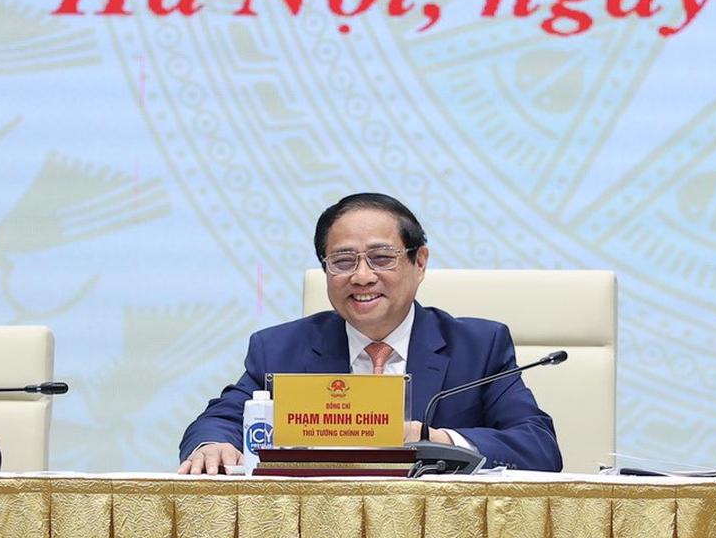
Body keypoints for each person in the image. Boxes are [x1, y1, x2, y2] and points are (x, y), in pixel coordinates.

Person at [178, 193, 562, 473]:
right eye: (343, 261)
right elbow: (218, 422)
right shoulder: (280, 349)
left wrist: (432, 439)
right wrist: (213, 445)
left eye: (381, 258)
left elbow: (539, 447)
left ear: (419, 262)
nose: (362, 276)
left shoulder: (477, 347)